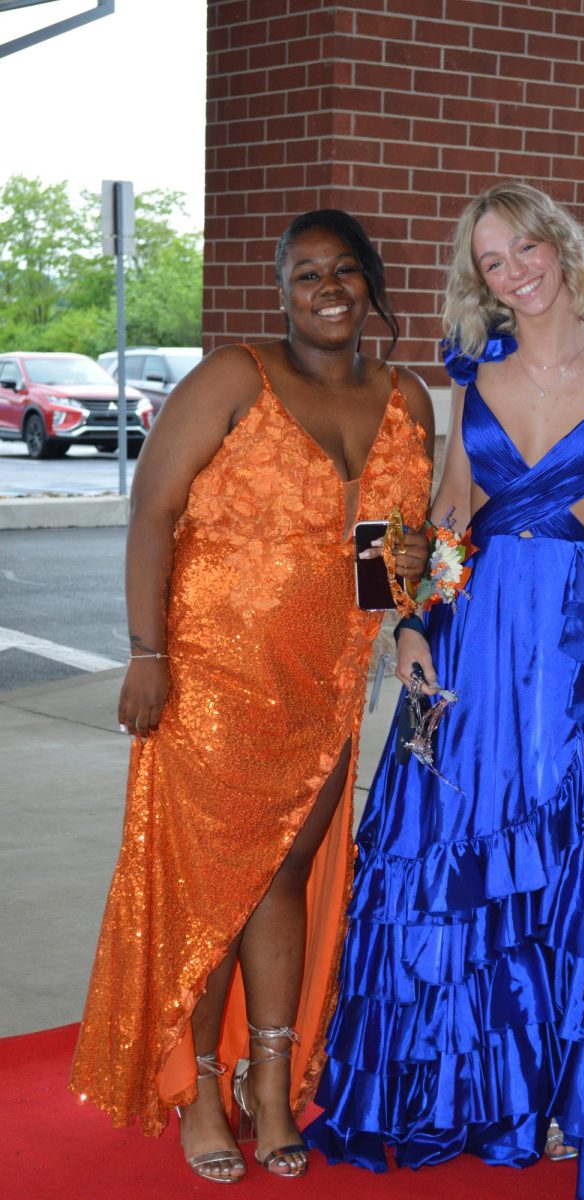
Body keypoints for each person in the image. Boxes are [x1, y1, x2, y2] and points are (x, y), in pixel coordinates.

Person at [304, 183, 584, 1198]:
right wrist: (412, 619)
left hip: (572, 631)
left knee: (571, 843)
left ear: (557, 244)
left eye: (523, 249)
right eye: (491, 263)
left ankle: (564, 1090)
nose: (512, 273)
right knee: (453, 837)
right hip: (475, 626)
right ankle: (472, 1085)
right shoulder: (475, 369)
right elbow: (453, 506)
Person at [68, 210, 434, 1184]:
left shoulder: (405, 397)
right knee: (209, 893)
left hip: (320, 690)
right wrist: (145, 652)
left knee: (282, 880)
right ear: (282, 289)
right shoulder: (236, 376)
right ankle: (199, 1092)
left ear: (370, 285)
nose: (327, 287)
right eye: (306, 272)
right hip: (209, 685)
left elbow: (385, 554)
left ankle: (269, 1087)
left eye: (345, 270)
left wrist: (407, 624)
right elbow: (154, 509)